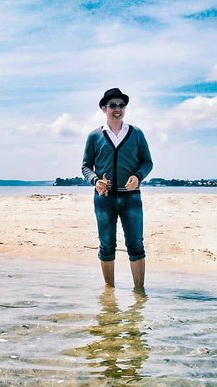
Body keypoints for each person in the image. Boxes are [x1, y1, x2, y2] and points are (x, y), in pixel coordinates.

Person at [81, 88, 153, 288]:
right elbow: (86, 167)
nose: (117, 109)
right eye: (112, 105)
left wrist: (138, 177)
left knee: (136, 245)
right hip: (103, 198)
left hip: (131, 198)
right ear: (104, 108)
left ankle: (139, 292)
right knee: (106, 246)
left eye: (121, 105)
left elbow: (147, 162)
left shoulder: (136, 133)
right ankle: (109, 294)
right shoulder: (94, 136)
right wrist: (96, 181)